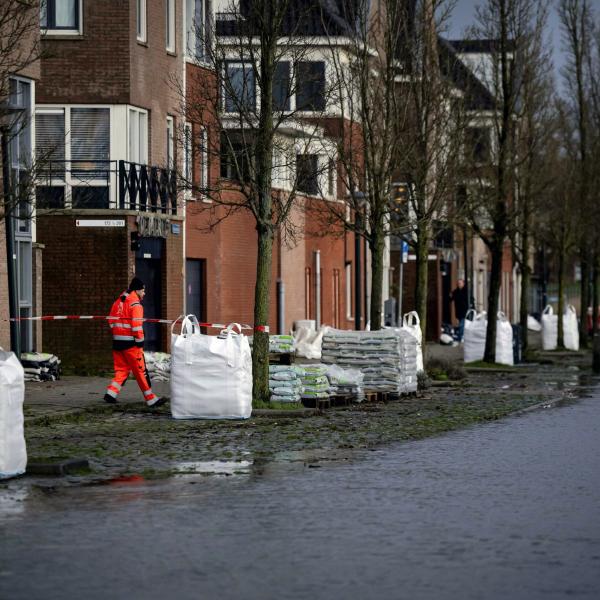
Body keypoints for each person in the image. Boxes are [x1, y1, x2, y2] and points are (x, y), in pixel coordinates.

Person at [104, 277, 167, 407]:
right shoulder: (136, 305)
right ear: (137, 290)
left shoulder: (118, 302)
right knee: (141, 372)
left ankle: (111, 393)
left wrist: (117, 332)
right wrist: (140, 342)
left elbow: (110, 320)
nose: (144, 293)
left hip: (117, 343)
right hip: (131, 344)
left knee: (122, 369)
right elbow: (136, 326)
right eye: (143, 291)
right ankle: (151, 399)